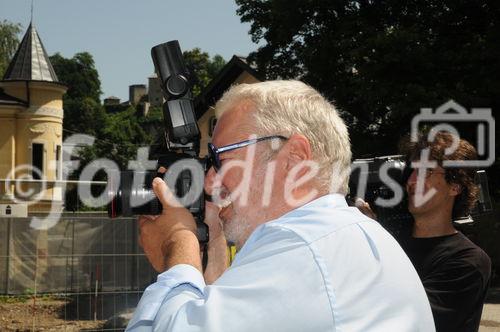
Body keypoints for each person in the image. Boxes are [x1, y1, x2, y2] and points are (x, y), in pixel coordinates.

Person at [126, 80, 434, 331]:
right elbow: (221, 306)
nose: (209, 182)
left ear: (295, 158)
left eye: (219, 159)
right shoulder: (346, 238)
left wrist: (177, 245)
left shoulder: (302, 248)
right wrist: (214, 234)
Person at [358, 131, 491, 332]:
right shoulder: (390, 243)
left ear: (455, 186)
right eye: (412, 171)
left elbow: (410, 322)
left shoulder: (469, 261)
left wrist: (375, 241)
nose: (411, 180)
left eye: (426, 171)